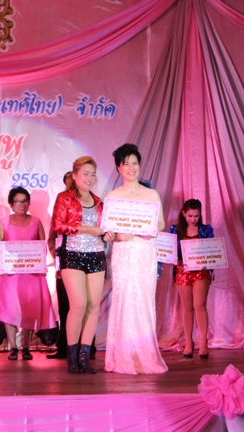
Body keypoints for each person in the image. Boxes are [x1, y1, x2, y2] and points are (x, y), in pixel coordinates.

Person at [104, 143, 168, 374]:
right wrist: (114, 235)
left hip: (144, 252)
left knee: (143, 300)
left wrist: (144, 230)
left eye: (135, 163)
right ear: (118, 168)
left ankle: (145, 355)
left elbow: (160, 224)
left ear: (140, 165)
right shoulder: (113, 196)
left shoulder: (151, 194)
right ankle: (123, 355)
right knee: (123, 299)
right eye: (126, 164)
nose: (131, 167)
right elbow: (108, 231)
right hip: (123, 252)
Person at [52, 156, 114, 374]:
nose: (89, 178)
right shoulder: (65, 198)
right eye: (85, 173)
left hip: (96, 255)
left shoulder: (99, 202)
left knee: (93, 306)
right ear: (75, 175)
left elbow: (104, 229)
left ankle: (85, 357)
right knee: (78, 305)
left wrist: (107, 235)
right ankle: (71, 356)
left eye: (93, 174)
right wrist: (88, 229)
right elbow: (58, 226)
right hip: (72, 254)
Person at [0, 187, 56, 361]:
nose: (22, 204)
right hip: (10, 276)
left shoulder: (36, 222)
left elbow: (42, 248)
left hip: (30, 276)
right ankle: (13, 347)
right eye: (18, 201)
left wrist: (34, 262)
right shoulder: (4, 222)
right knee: (9, 309)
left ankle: (26, 347)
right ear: (11, 204)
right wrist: (6, 263)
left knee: (28, 310)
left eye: (25, 201)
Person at [47, 172, 97, 360]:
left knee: (87, 306)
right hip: (64, 265)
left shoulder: (90, 205)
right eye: (69, 184)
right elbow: (52, 238)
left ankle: (87, 349)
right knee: (65, 308)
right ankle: (64, 348)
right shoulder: (60, 206)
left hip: (86, 264)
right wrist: (58, 255)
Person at [169, 199, 213, 359]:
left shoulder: (206, 230)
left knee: (200, 305)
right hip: (183, 271)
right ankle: (188, 342)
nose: (193, 219)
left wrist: (208, 262)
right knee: (187, 307)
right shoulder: (175, 230)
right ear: (183, 214)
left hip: (201, 272)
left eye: (196, 216)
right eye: (190, 216)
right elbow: (170, 251)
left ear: (200, 214)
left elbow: (213, 250)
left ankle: (203, 342)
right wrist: (177, 261)